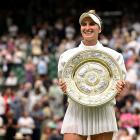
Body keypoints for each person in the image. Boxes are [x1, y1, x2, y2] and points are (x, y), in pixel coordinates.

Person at [58, 10, 127, 140]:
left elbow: (118, 91)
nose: (87, 27)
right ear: (80, 28)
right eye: (84, 24)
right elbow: (66, 87)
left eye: (92, 24)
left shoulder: (115, 57)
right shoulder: (66, 57)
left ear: (99, 28)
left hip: (103, 110)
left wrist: (119, 90)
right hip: (76, 110)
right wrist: (63, 88)